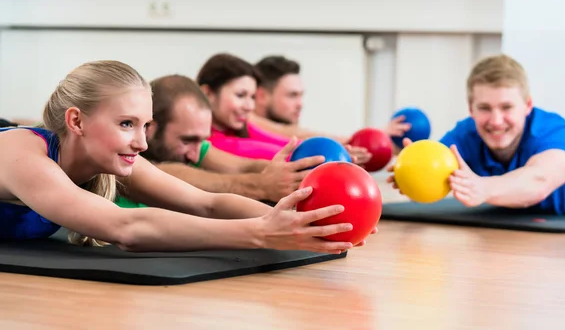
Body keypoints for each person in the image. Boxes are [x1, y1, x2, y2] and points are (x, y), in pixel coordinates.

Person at [0, 60, 374, 253]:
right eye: (126, 123)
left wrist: (313, 223)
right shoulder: (20, 154)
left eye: (144, 125)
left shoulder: (109, 159)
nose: (142, 143)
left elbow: (206, 204)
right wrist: (260, 234)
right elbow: (126, 228)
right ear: (76, 121)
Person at [387, 54, 565, 215]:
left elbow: (539, 179)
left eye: (506, 107)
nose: (496, 121)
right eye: (485, 108)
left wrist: (483, 188)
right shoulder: (466, 135)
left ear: (527, 105)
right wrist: (411, 168)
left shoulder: (554, 132)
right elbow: (435, 167)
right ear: (471, 109)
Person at [129, 74, 324, 204]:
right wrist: (260, 185)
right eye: (187, 141)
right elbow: (161, 173)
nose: (196, 156)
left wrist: (300, 173)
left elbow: (243, 167)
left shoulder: (191, 144)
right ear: (149, 127)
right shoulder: (124, 157)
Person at [196, 53, 370, 164]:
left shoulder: (242, 126)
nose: (249, 106)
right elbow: (269, 153)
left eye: (251, 97)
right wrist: (324, 156)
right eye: (240, 95)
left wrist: (333, 149)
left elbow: (285, 143)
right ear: (208, 93)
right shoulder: (201, 142)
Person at [251, 55, 409, 157]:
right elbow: (291, 133)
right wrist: (368, 137)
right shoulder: (246, 121)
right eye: (292, 95)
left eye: (301, 95)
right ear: (262, 96)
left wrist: (392, 147)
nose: (300, 104)